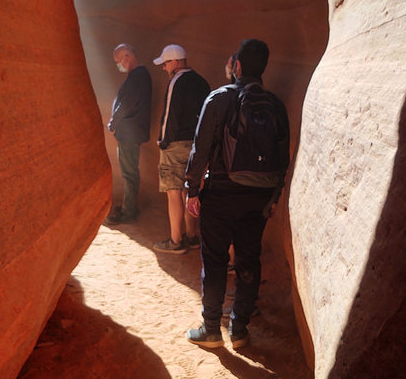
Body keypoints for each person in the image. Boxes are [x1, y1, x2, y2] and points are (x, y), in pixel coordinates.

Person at [184, 39, 290, 349]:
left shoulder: (218, 99)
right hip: (257, 198)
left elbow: (199, 149)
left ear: (237, 66)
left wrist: (192, 189)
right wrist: (273, 198)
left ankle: (212, 330)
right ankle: (240, 329)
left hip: (220, 195)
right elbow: (283, 158)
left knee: (215, 261)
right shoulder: (276, 105)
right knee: (248, 260)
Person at [152, 44, 210, 254]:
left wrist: (163, 141)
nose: (164, 67)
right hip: (196, 146)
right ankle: (192, 236)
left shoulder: (176, 81)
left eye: (166, 63)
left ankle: (176, 241)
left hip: (175, 144)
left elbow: (169, 116)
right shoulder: (201, 82)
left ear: (175, 63)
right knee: (191, 191)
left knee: (173, 192)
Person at [105, 44, 152, 225]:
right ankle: (129, 206)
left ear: (128, 57)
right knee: (129, 171)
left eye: (119, 61)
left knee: (129, 173)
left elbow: (126, 106)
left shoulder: (138, 77)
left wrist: (113, 124)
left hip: (130, 132)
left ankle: (129, 211)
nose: (119, 65)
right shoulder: (137, 76)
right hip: (130, 131)